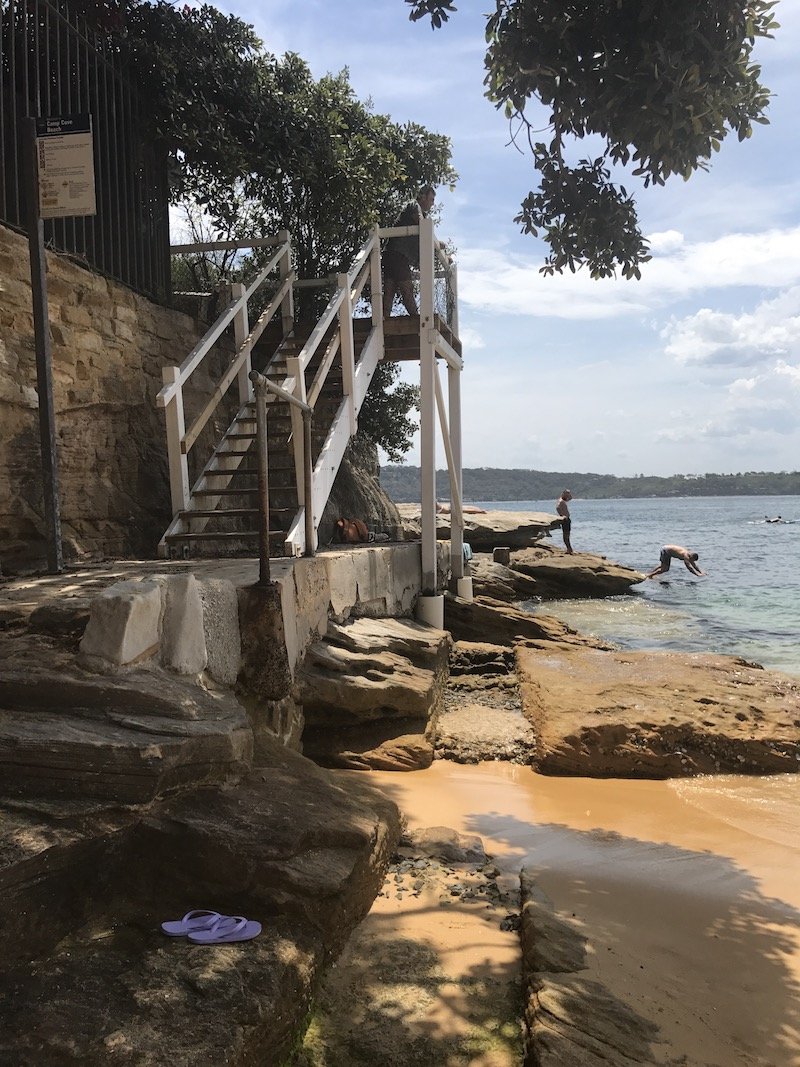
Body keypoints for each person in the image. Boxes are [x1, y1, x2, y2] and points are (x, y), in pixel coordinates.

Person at [382, 186, 436, 317]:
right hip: (397, 254)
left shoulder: (418, 210)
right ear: (423, 197)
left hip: (391, 253)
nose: (432, 203)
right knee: (406, 288)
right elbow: (422, 224)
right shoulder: (414, 205)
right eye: (431, 199)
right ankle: (417, 321)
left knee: (390, 289)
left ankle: (383, 322)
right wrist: (437, 244)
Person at [555, 489, 574, 554]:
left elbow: (570, 498)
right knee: (566, 535)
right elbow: (557, 508)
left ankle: (569, 549)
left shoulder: (563, 500)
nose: (567, 495)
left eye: (568, 494)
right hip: (565, 520)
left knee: (567, 535)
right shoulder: (560, 501)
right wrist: (562, 515)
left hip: (567, 519)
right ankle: (569, 549)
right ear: (563, 494)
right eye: (566, 494)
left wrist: (569, 494)